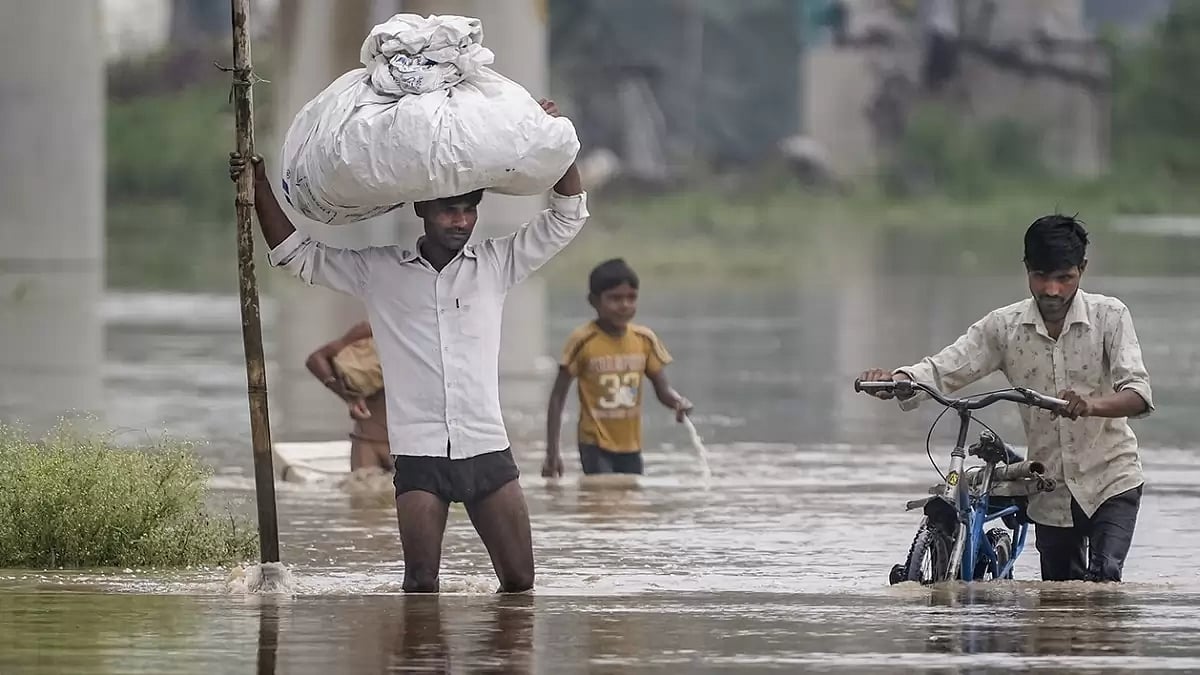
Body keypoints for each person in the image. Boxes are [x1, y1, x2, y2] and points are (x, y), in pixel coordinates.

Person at [230, 99, 586, 593]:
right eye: (448, 210)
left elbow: (567, 217)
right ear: (422, 208)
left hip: (487, 450)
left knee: (521, 584)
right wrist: (260, 187)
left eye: (468, 211)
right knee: (420, 584)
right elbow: (296, 256)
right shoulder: (380, 271)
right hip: (419, 458)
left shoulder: (496, 264)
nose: (460, 222)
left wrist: (557, 138)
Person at [860, 215, 1154, 583]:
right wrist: (899, 380)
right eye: (1041, 276)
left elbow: (1137, 395)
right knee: (1058, 601)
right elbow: (947, 367)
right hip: (1050, 489)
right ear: (1027, 269)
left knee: (1103, 582)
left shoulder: (1110, 316)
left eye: (1064, 278)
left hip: (1112, 479)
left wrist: (1091, 404)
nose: (1051, 290)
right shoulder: (1004, 327)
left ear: (1082, 270)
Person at [542, 258, 691, 477]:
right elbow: (557, 398)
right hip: (595, 444)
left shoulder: (644, 340)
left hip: (631, 446)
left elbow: (663, 389)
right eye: (615, 298)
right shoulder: (582, 341)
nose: (624, 305)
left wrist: (678, 402)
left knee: (631, 504)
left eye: (631, 298)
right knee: (602, 501)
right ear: (594, 301)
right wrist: (552, 453)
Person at [304, 321, 392, 472]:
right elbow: (316, 359)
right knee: (364, 492)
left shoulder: (437, 338)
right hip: (368, 442)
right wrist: (348, 397)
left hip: (411, 447)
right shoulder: (373, 329)